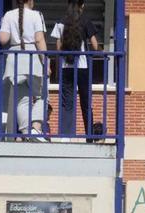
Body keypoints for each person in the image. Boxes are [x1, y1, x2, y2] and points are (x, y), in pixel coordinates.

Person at [0, 0, 48, 139]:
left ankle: (26, 132)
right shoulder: (36, 15)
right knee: (42, 95)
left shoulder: (8, 15)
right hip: (33, 58)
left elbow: (3, 39)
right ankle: (36, 128)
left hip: (15, 59)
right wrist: (46, 61)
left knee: (22, 100)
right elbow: (39, 39)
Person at [52, 0, 101, 138]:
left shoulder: (61, 22)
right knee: (85, 103)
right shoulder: (85, 21)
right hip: (82, 67)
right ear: (82, 5)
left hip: (66, 67)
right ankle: (89, 136)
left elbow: (58, 47)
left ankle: (66, 136)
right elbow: (95, 45)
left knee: (67, 103)